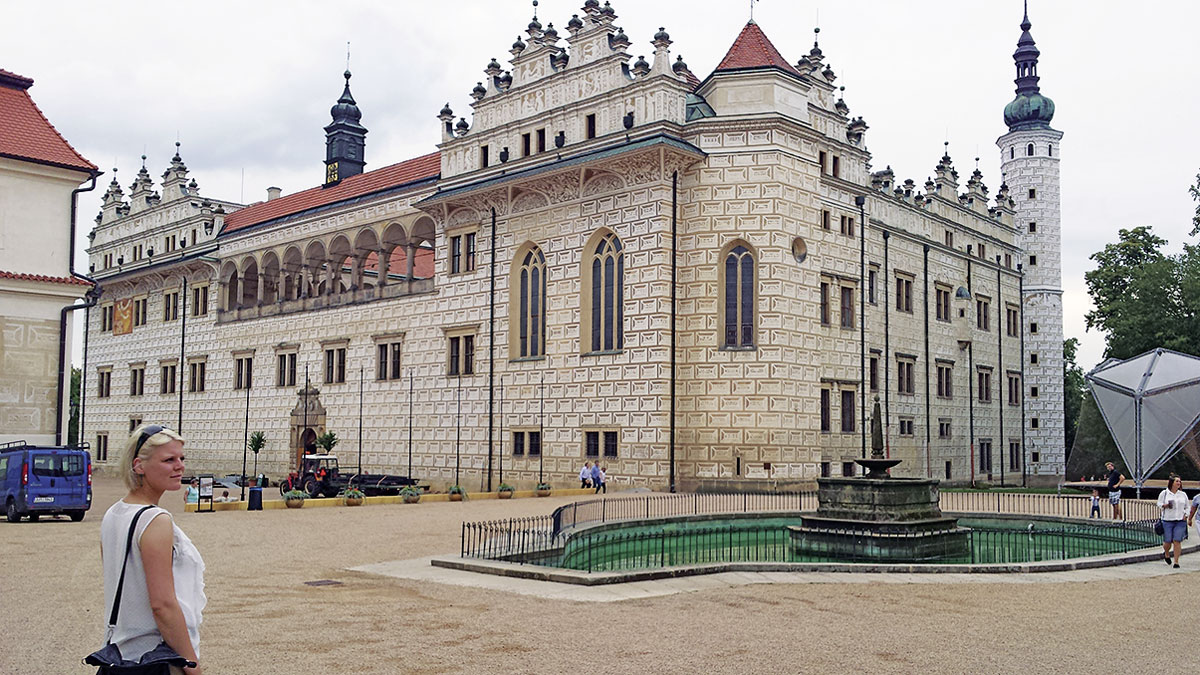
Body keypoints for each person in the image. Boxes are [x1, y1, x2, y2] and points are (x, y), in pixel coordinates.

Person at [101, 424, 205, 675]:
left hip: (120, 655)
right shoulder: (156, 520)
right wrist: (191, 665)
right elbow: (163, 605)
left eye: (181, 458)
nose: (179, 466)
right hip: (156, 658)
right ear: (139, 466)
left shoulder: (114, 513)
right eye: (169, 460)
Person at [1158, 475, 1189, 568]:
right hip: (1168, 520)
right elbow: (1159, 503)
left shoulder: (1183, 494)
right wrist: (1165, 505)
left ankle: (1176, 561)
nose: (1179, 483)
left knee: (1177, 540)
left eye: (1179, 481)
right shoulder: (1164, 493)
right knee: (1167, 541)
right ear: (1172, 483)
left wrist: (1186, 514)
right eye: (1177, 481)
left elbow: (1187, 506)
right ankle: (1166, 553)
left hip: (1180, 520)